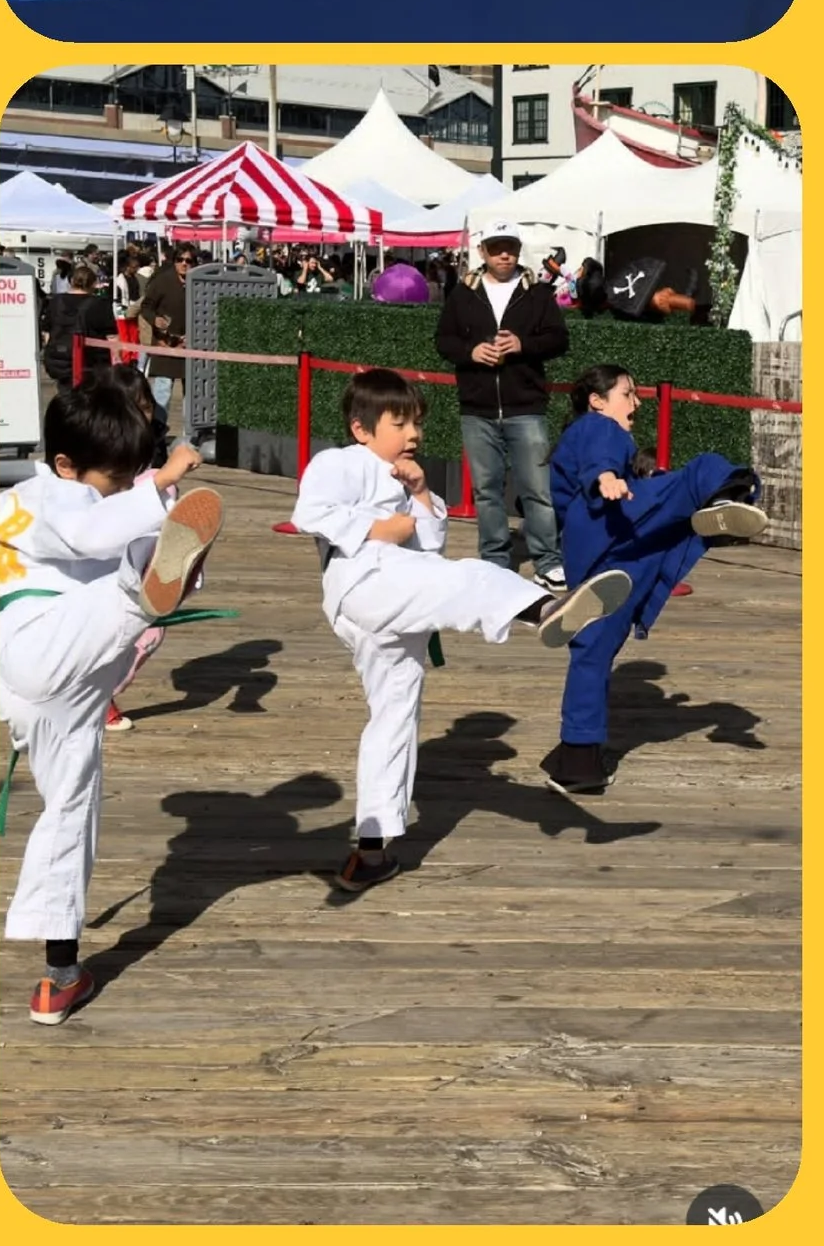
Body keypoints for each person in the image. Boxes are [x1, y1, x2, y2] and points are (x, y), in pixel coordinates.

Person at [291, 370, 632, 895]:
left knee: (395, 716)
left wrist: (422, 494)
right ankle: (543, 609)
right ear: (361, 429)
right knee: (468, 577)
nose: (413, 434)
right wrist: (383, 528)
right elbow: (311, 513)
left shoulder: (407, 479)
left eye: (417, 424)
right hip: (366, 583)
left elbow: (430, 546)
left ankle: (372, 848)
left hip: (397, 604)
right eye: (399, 423)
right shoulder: (340, 463)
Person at [0, 384, 221, 1024]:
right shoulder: (47, 498)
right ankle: (142, 588)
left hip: (32, 685)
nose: (121, 489)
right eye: (113, 479)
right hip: (46, 641)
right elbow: (92, 530)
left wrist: (157, 507)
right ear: (65, 465)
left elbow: (104, 525)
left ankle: (58, 978)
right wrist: (161, 484)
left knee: (69, 807)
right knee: (134, 585)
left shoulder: (17, 502)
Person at [539, 365, 768, 794]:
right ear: (597, 399)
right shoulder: (596, 425)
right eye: (628, 393)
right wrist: (606, 478)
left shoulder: (590, 434)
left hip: (593, 554)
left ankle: (577, 761)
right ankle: (726, 496)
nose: (637, 402)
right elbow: (599, 457)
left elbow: (601, 465)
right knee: (700, 471)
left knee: (592, 650)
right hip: (609, 525)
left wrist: (617, 478)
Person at [436, 227, 568, 583]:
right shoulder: (463, 294)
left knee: (537, 489)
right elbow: (443, 340)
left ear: (518, 250)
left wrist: (523, 345)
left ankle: (547, 561)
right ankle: (495, 559)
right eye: (497, 249)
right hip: (477, 408)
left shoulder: (538, 294)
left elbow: (558, 339)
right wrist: (471, 351)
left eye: (510, 248)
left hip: (525, 406)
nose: (504, 255)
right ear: (482, 251)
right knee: (486, 489)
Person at [137, 242, 194, 441]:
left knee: (192, 393)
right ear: (174, 261)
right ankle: (157, 433)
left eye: (189, 260)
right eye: (180, 260)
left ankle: (190, 435)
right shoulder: (163, 281)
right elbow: (146, 306)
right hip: (165, 343)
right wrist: (155, 320)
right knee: (162, 391)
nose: (184, 264)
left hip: (191, 345)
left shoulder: (197, 281)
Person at [40, 260, 117, 388]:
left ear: (72, 281)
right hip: (91, 362)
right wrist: (116, 364)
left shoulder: (56, 301)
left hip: (61, 359)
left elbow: (47, 332)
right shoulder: (100, 304)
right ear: (93, 283)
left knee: (66, 396)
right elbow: (112, 337)